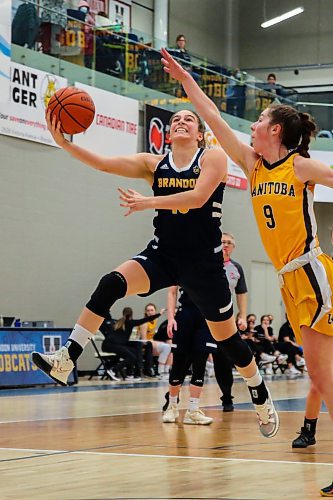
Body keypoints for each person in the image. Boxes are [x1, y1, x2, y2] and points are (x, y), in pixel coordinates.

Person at [31, 107, 279, 439]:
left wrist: (148, 202)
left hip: (204, 264)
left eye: (188, 119)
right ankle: (67, 357)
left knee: (228, 341)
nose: (180, 121)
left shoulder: (214, 157)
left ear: (199, 132)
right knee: (111, 283)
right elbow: (103, 163)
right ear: (168, 131)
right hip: (163, 256)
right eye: (176, 118)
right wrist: (65, 143)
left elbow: (198, 197)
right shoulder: (153, 164)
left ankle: (258, 390)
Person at [159, 48, 333, 496]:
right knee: (319, 375)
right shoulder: (253, 166)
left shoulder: (301, 167)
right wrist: (185, 80)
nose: (250, 126)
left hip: (312, 274)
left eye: (257, 122)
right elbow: (212, 115)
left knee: (322, 375)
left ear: (275, 130)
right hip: (289, 281)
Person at [162, 286, 214, 425]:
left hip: (207, 316)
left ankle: (193, 410)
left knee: (200, 362)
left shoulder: (214, 265)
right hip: (185, 315)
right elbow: (172, 292)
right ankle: (172, 407)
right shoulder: (179, 265)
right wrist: (171, 317)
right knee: (179, 362)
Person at [211, 231, 249, 412]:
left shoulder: (236, 268)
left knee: (224, 360)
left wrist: (242, 316)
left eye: (228, 243)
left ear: (233, 247)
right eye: (222, 242)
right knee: (194, 357)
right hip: (202, 319)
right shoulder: (207, 263)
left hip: (226, 321)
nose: (225, 245)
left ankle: (227, 396)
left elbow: (241, 293)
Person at [100, 306, 159, 380]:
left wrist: (107, 310)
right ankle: (113, 370)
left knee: (134, 352)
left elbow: (106, 318)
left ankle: (129, 374)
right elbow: (144, 320)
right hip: (111, 345)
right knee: (132, 357)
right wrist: (158, 314)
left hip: (109, 345)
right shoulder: (129, 322)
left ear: (123, 313)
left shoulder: (118, 321)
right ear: (131, 314)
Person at [137, 303, 171, 377]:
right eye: (148, 310)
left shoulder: (154, 320)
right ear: (145, 312)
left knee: (170, 348)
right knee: (167, 347)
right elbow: (144, 340)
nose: (150, 312)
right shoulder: (144, 323)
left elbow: (159, 315)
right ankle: (160, 371)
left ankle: (166, 370)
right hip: (144, 345)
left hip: (151, 343)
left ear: (155, 311)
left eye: (152, 310)